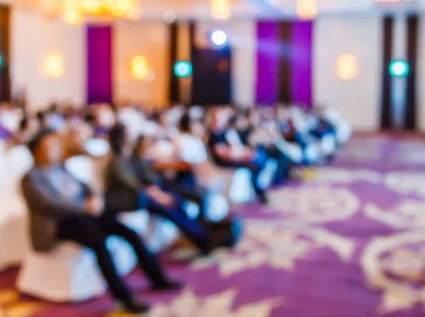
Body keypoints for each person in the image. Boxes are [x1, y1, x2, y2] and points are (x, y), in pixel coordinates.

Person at [21, 129, 178, 314]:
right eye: (51, 145)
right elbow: (50, 205)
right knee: (99, 241)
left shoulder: (60, 167)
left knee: (128, 231)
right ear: (37, 150)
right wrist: (83, 206)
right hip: (59, 224)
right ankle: (125, 298)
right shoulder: (31, 178)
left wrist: (93, 198)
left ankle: (158, 278)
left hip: (83, 216)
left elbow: (85, 186)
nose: (56, 149)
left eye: (56, 144)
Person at [104, 124, 214, 254]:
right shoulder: (116, 161)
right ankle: (203, 241)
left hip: (149, 193)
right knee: (170, 208)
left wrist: (155, 187)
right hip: (135, 199)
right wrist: (155, 193)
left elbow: (149, 176)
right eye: (128, 134)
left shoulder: (133, 156)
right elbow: (132, 185)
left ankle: (201, 235)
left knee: (177, 201)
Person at [207, 108, 269, 204]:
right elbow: (220, 153)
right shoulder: (213, 134)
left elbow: (235, 146)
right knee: (254, 165)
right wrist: (238, 154)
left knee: (259, 159)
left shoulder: (225, 131)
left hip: (232, 157)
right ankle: (258, 191)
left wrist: (243, 153)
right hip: (222, 162)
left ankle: (257, 190)